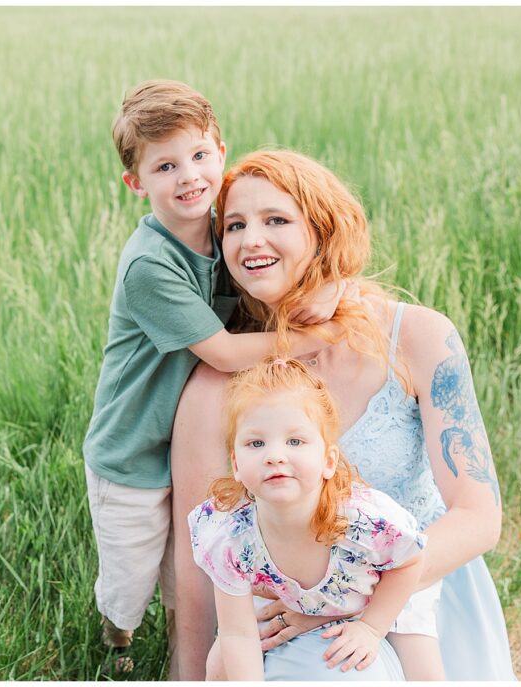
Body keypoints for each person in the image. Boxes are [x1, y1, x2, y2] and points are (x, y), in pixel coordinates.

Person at [170, 149, 515, 680]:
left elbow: (478, 515)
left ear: (325, 232)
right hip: (285, 619)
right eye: (234, 225)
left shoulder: (419, 338)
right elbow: (201, 564)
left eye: (276, 220)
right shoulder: (218, 384)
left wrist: (343, 596)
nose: (250, 240)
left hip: (425, 591)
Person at [84, 83, 348, 676]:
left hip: (194, 433)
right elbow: (226, 350)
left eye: (200, 156)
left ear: (221, 152)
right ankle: (116, 638)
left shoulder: (227, 226)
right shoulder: (150, 265)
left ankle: (192, 635)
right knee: (130, 571)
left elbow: (278, 271)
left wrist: (332, 291)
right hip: (132, 449)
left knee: (194, 558)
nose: (189, 177)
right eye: (166, 166)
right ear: (137, 182)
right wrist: (312, 338)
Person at [190, 357, 445, 680]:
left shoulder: (363, 521)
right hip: (297, 599)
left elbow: (410, 562)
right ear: (236, 464)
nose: (275, 455)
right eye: (256, 443)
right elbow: (237, 634)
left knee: (426, 674)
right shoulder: (230, 537)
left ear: (328, 460)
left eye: (295, 441)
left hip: (375, 594)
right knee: (219, 665)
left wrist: (370, 627)